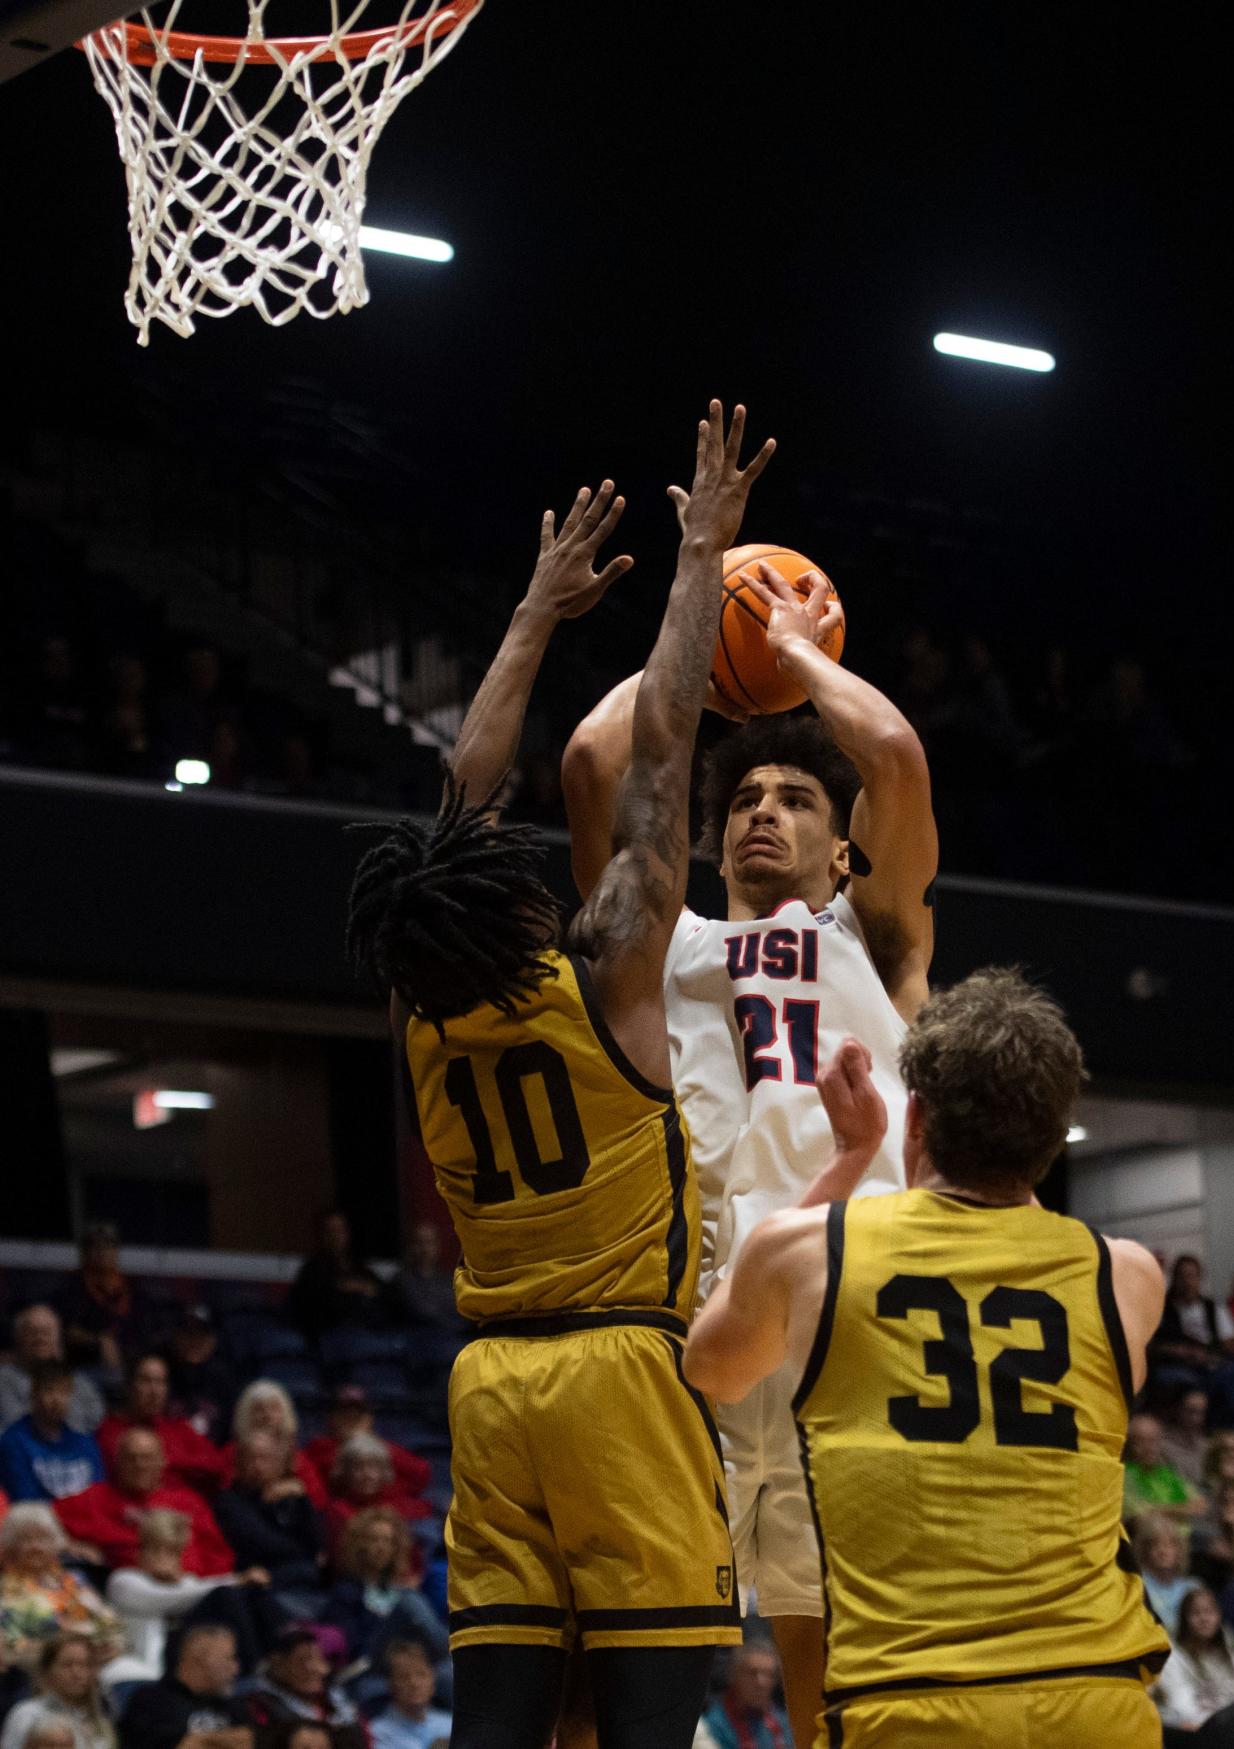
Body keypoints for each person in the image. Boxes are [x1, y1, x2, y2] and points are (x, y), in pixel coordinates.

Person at [346, 403, 774, 1747]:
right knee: (650, 1726)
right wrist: (701, 552)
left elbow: (460, 803)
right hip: (615, 1382)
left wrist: (534, 613)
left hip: (489, 1390)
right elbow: (659, 755)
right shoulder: (605, 976)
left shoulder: (422, 1000)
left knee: (500, 1728)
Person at [563, 552, 936, 1748]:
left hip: (849, 1322)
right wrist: (694, 649)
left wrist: (793, 659)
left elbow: (895, 759)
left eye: (794, 801)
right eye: (742, 801)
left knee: (834, 1675)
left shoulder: (872, 936)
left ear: (844, 853)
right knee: (621, 1684)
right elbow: (587, 763)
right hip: (695, 1333)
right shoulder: (664, 947)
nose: (761, 810)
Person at [683, 968, 1170, 1747]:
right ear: (1049, 1137)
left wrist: (850, 1157)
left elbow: (711, 1367)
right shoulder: (1126, 1275)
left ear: (920, 1119)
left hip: (911, 1703)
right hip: (1096, 1699)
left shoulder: (813, 1249)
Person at [103, 1510, 272, 1688]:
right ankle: (255, 1670)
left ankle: (265, 1663)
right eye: (154, 1550)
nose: (161, 1559)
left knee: (251, 1596)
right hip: (143, 1668)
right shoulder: (123, 1581)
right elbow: (168, 1599)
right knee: (225, 1595)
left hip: (183, 1665)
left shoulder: (188, 1584)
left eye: (170, 1552)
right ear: (141, 1551)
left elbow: (191, 1592)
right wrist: (236, 1580)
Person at [55, 1431, 234, 1577]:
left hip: (193, 1590)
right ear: (117, 1463)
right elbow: (39, 1519)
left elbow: (218, 1556)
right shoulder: (94, 1499)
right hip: (129, 1589)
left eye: (147, 1458)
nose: (139, 1465)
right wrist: (67, 1544)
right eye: (131, 1458)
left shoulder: (188, 1502)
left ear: (163, 1461)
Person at [322, 1508, 445, 1665]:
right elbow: (351, 1646)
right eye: (374, 1540)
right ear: (359, 1544)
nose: (381, 1548)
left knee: (448, 1674)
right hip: (368, 1662)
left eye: (387, 1541)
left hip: (409, 1664)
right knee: (410, 1601)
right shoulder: (346, 1593)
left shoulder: (398, 1590)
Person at [0, 1504, 123, 1661]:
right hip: (36, 1667)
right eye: (26, 1539)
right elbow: (12, 1646)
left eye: (42, 1538)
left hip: (91, 1661)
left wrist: (103, 1643)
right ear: (12, 1546)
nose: (35, 1547)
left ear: (56, 1543)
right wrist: (64, 1643)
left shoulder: (75, 1581)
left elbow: (109, 1625)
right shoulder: (5, 1590)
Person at [97, 1358, 222, 1497]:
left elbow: (217, 1468)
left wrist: (170, 1462)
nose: (154, 1391)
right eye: (146, 1381)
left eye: (160, 1382)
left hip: (183, 1506)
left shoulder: (179, 1428)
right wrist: (183, 1467)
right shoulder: (110, 1431)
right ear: (130, 1386)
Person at [116, 1622, 251, 1749]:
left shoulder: (232, 1703)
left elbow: (250, 1739)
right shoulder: (151, 1701)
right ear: (201, 1659)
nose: (236, 1669)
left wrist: (202, 1740)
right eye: (229, 1658)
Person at [210, 1434, 321, 1585]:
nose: (258, 1466)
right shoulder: (228, 1501)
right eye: (251, 1459)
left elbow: (317, 1543)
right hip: (256, 1576)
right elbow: (261, 1543)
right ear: (238, 1464)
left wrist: (302, 1499)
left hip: (297, 1572)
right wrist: (304, 1552)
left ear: (279, 1464)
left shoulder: (290, 1496)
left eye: (265, 1459)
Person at [302, 1391, 430, 1507]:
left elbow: (421, 1473)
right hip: (341, 1511)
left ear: (369, 1419)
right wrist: (351, 1444)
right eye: (345, 1414)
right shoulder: (319, 1448)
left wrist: (371, 1445)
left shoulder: (383, 1447)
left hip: (384, 1510)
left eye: (358, 1415)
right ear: (332, 1418)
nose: (351, 1418)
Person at [0, 1364, 105, 1504]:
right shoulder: (14, 1442)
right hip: (36, 1521)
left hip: (84, 1520)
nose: (57, 1400)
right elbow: (24, 1499)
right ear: (33, 1395)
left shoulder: (84, 1443)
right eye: (49, 1391)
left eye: (63, 1392)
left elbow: (99, 1491)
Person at [242, 1630, 364, 1749]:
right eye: (302, 1661)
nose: (313, 1668)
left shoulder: (335, 1702)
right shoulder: (262, 1708)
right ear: (278, 1665)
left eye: (318, 1659)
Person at [218, 1388, 326, 1514]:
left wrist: (298, 1489)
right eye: (259, 1409)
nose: (267, 1416)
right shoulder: (231, 1454)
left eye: (274, 1409)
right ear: (245, 1414)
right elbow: (222, 1492)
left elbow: (319, 1501)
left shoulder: (297, 1457)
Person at [54, 1227, 146, 1375]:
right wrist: (100, 1341)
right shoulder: (72, 1286)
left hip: (129, 1366)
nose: (102, 1252)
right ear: (85, 1252)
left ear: (116, 1251)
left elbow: (141, 1328)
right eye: (96, 1247)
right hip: (84, 1366)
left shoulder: (131, 1286)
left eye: (108, 1247)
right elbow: (66, 1330)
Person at [0, 1635, 117, 1749]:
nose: (76, 1673)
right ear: (48, 1670)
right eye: (67, 1665)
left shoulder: (98, 1721)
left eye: (84, 1665)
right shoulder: (28, 1715)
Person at [1153, 1587, 1234, 1735]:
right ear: (1184, 1618)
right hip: (1200, 1734)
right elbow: (1183, 1709)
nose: (1204, 1619)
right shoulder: (1173, 1658)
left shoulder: (1229, 1654)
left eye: (1209, 1612)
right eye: (1196, 1613)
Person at [0, 1310, 104, 1436]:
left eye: (46, 1332)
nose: (40, 1339)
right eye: (32, 1332)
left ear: (58, 1339)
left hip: (74, 1450)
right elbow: (11, 1423)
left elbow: (97, 1421)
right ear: (18, 1338)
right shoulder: (3, 1380)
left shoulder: (80, 1383)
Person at [286, 1214, 385, 1341]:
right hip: (331, 1337)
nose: (336, 1236)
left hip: (367, 1331)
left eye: (340, 1230)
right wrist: (344, 1289)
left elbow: (382, 1290)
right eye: (330, 1231)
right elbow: (315, 1304)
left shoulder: (359, 1268)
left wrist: (364, 1287)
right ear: (322, 1235)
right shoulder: (313, 1269)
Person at [323, 1438, 429, 1554]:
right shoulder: (337, 1510)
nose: (367, 1475)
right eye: (358, 1468)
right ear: (345, 1473)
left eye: (374, 1468)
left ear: (384, 1471)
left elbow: (422, 1471)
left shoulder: (397, 1506)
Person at [1150, 1256, 1234, 1385]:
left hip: (1212, 1364)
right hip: (1178, 1367)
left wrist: (1211, 1353)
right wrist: (1180, 1351)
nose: (1187, 1282)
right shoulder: (1162, 1311)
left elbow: (1230, 1342)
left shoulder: (1214, 1308)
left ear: (1199, 1278)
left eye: (1191, 1276)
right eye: (1182, 1276)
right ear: (1174, 1279)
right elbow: (1152, 1346)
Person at [165, 1311, 239, 1446]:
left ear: (212, 1340)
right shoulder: (162, 1375)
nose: (194, 1341)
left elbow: (231, 1437)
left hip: (213, 1463)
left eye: (201, 1335)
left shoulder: (225, 1382)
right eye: (188, 1333)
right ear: (176, 1336)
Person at [699, 1643, 793, 1749]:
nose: (761, 1682)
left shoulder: (784, 1722)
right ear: (733, 1674)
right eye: (752, 1672)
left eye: (768, 1674)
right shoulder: (711, 1724)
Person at [382, 1228, 464, 1336]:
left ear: (437, 1246)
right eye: (419, 1243)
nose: (425, 1248)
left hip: (454, 1335)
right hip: (420, 1339)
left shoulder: (448, 1279)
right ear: (410, 1246)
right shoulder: (402, 1280)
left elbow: (462, 1313)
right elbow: (424, 1312)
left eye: (429, 1242)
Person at [1124, 1412, 1204, 1522]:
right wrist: (1183, 1509)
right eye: (1140, 1441)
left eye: (1153, 1441)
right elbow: (1139, 1514)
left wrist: (1160, 1509)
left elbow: (1200, 1506)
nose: (1149, 1448)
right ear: (1129, 1444)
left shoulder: (1169, 1473)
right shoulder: (1124, 1476)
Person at [369, 1643, 451, 1749]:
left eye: (421, 1674)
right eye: (403, 1677)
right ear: (391, 1684)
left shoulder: (450, 1725)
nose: (414, 1683)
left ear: (433, 1678)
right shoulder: (376, 1734)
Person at [1132, 1512, 1195, 1635]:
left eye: (1170, 1545)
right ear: (1145, 1550)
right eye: (1156, 1545)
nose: (1163, 1551)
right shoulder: (1136, 1586)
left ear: (1180, 1550)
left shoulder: (1192, 1588)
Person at [1163, 1386, 1210, 1486]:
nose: (1195, 1419)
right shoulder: (1162, 1445)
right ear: (1178, 1410)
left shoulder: (1207, 1445)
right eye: (1190, 1411)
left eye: (1200, 1412)